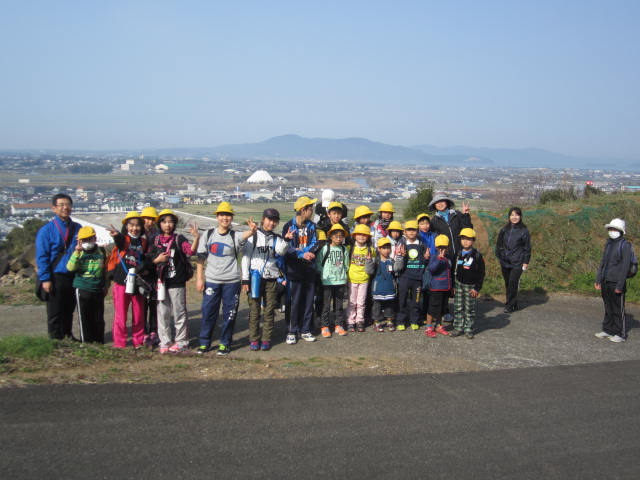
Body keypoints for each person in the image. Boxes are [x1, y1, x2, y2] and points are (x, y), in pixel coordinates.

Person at [196, 202, 254, 356]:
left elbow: (245, 235)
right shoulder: (208, 234)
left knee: (230, 314)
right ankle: (204, 343)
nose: (225, 218)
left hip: (232, 282)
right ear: (217, 217)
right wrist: (199, 278)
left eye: (228, 215)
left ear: (231, 217)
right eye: (222, 215)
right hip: (211, 280)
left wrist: (253, 230)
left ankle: (225, 343)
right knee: (208, 312)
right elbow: (200, 259)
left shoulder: (234, 236)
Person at [150, 209, 200, 354]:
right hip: (160, 282)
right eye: (164, 222)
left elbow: (190, 251)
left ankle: (181, 342)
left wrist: (196, 238)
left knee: (179, 313)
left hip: (177, 281)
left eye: (171, 222)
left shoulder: (179, 239)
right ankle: (165, 342)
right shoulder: (155, 240)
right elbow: (149, 258)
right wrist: (157, 259)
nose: (168, 225)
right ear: (160, 224)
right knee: (162, 313)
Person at [241, 208, 291, 351]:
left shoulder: (276, 238)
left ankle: (266, 339)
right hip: (254, 278)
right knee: (254, 310)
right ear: (263, 219)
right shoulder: (253, 235)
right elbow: (246, 258)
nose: (272, 223)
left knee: (269, 310)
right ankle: (254, 339)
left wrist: (286, 240)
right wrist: (245, 279)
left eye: (275, 221)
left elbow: (281, 251)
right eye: (270, 219)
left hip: (271, 278)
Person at [35, 194, 82, 340]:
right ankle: (55, 339)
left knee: (69, 308)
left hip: (72, 274)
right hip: (55, 275)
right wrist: (45, 279)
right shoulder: (46, 230)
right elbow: (42, 256)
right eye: (61, 205)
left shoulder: (77, 228)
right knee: (55, 310)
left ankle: (67, 335)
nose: (65, 208)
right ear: (54, 208)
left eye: (68, 204)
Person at [107, 211, 149, 349]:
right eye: (131, 225)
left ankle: (138, 340)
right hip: (121, 282)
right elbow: (120, 242)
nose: (134, 228)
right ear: (126, 226)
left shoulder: (144, 242)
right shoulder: (124, 239)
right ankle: (120, 342)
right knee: (120, 314)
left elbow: (146, 258)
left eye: (137, 225)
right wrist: (116, 235)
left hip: (137, 281)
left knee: (139, 314)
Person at [282, 196, 318, 344]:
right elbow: (287, 247)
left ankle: (306, 329)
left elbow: (315, 242)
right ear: (303, 210)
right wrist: (302, 254)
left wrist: (306, 253)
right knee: (294, 301)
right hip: (294, 270)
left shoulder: (312, 226)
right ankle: (292, 330)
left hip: (309, 269)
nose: (312, 211)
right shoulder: (289, 226)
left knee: (309, 301)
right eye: (310, 209)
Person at [595, 218, 635, 343]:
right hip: (605, 281)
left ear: (621, 231)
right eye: (610, 229)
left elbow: (625, 267)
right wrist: (598, 279)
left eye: (614, 229)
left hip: (617, 282)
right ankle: (608, 330)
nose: (611, 231)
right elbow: (603, 263)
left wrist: (620, 285)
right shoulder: (608, 244)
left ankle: (620, 334)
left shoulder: (625, 245)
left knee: (618, 309)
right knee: (608, 307)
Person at [66, 226, 107, 343]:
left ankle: (99, 342)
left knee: (98, 318)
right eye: (84, 240)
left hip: (97, 288)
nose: (87, 242)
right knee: (84, 317)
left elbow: (104, 270)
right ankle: (87, 343)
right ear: (79, 241)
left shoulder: (101, 251)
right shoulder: (78, 253)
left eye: (90, 239)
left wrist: (105, 285)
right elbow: (70, 268)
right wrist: (77, 252)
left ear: (95, 238)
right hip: (83, 289)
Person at [316, 224, 350, 337]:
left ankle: (338, 325)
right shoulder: (326, 248)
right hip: (327, 281)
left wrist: (343, 274)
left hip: (340, 281)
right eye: (336, 236)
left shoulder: (344, 249)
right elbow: (319, 262)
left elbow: (346, 264)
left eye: (341, 236)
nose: (339, 239)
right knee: (326, 305)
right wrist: (323, 274)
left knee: (339, 306)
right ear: (331, 236)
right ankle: (324, 326)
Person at [450, 228, 485, 339]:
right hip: (458, 284)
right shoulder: (457, 254)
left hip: (471, 286)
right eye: (463, 238)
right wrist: (453, 285)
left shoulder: (477, 255)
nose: (465, 241)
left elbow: (481, 273)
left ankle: (468, 329)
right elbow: (452, 271)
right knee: (458, 307)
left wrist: (477, 288)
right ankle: (458, 327)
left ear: (473, 240)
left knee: (469, 309)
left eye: (469, 239)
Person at [495, 207, 531, 313]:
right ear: (509, 216)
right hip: (505, 262)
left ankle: (510, 305)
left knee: (512, 283)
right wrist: (501, 256)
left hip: (517, 262)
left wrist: (525, 261)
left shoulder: (524, 231)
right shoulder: (504, 230)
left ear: (520, 216)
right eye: (512, 215)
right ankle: (512, 302)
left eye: (517, 215)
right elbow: (499, 245)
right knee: (507, 283)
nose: (514, 217)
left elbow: (527, 248)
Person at [395, 220, 429, 331]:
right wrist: (401, 256)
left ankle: (414, 320)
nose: (411, 232)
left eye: (413, 230)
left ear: (417, 231)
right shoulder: (402, 244)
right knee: (402, 300)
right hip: (404, 277)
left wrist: (426, 259)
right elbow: (398, 262)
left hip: (417, 278)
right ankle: (401, 321)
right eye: (408, 230)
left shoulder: (422, 244)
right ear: (404, 231)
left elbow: (424, 262)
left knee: (416, 301)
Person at [366, 237, 403, 332]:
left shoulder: (391, 261)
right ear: (379, 249)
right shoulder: (375, 261)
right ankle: (376, 322)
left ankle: (389, 321)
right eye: (383, 248)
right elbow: (369, 271)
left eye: (388, 248)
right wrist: (368, 261)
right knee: (376, 307)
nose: (386, 250)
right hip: (377, 289)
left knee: (389, 306)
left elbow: (397, 269)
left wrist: (399, 257)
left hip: (389, 288)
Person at [347, 224, 375, 332]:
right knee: (352, 302)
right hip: (352, 279)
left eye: (364, 235)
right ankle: (350, 321)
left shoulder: (371, 250)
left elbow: (372, 264)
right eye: (359, 234)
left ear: (368, 237)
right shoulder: (350, 248)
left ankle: (360, 320)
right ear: (354, 236)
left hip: (364, 279)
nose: (362, 236)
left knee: (361, 302)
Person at [428, 192, 472, 260]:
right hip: (445, 255)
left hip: (461, 252)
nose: (440, 204)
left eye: (442, 201)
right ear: (434, 205)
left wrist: (465, 216)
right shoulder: (433, 221)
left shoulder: (457, 215)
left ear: (447, 202)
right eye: (437, 202)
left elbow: (468, 230)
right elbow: (433, 240)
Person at [424, 235, 453, 338]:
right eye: (440, 247)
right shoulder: (434, 257)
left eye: (444, 247)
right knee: (432, 308)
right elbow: (432, 269)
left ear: (448, 247)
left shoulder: (449, 257)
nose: (442, 249)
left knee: (442, 308)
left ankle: (438, 325)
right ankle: (428, 327)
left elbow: (450, 271)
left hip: (446, 287)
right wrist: (439, 259)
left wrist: (451, 286)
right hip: (436, 287)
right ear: (436, 247)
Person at [140, 206, 160, 347]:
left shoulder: (157, 234)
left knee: (154, 304)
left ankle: (153, 330)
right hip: (141, 274)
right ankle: (142, 331)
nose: (149, 221)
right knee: (141, 305)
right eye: (147, 218)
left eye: (152, 219)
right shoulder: (137, 234)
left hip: (154, 273)